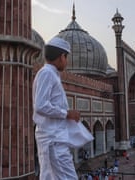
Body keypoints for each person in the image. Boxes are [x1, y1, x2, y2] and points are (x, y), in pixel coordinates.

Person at [33, 36, 81, 180]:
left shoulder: (50, 74)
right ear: (62, 57)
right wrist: (66, 114)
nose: (67, 62)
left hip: (53, 137)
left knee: (50, 176)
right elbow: (40, 105)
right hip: (53, 139)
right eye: (67, 58)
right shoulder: (47, 73)